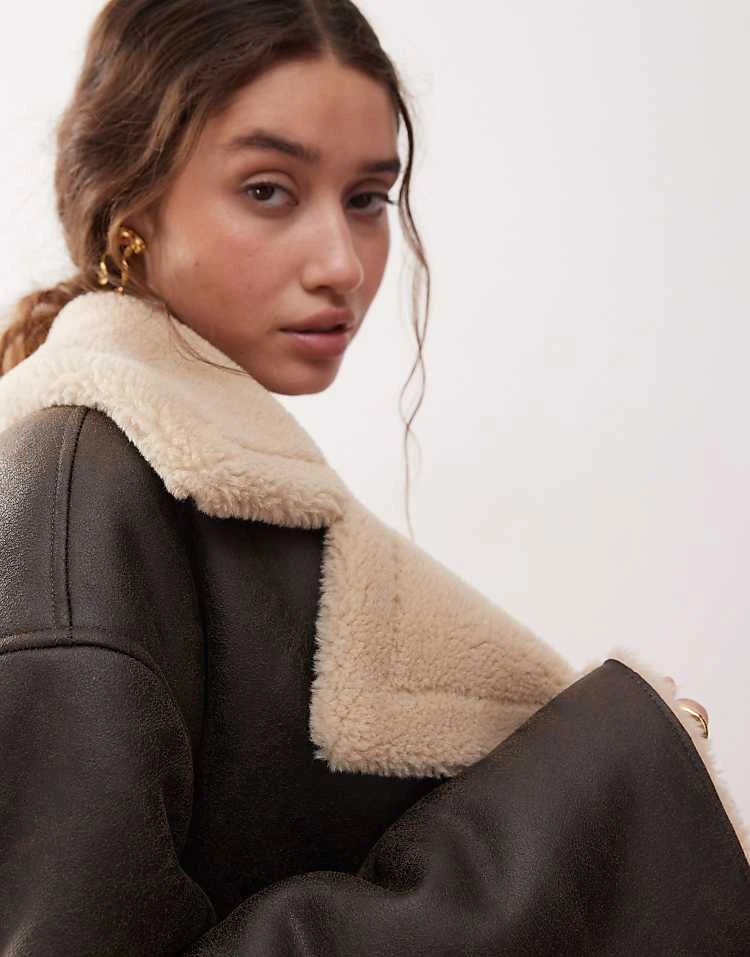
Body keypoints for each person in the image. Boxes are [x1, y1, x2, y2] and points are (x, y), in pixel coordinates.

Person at [0, 1, 747, 954]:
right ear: (130, 205)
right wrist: (599, 786)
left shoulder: (205, 478)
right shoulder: (80, 499)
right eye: (268, 190)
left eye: (367, 199)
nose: (342, 264)